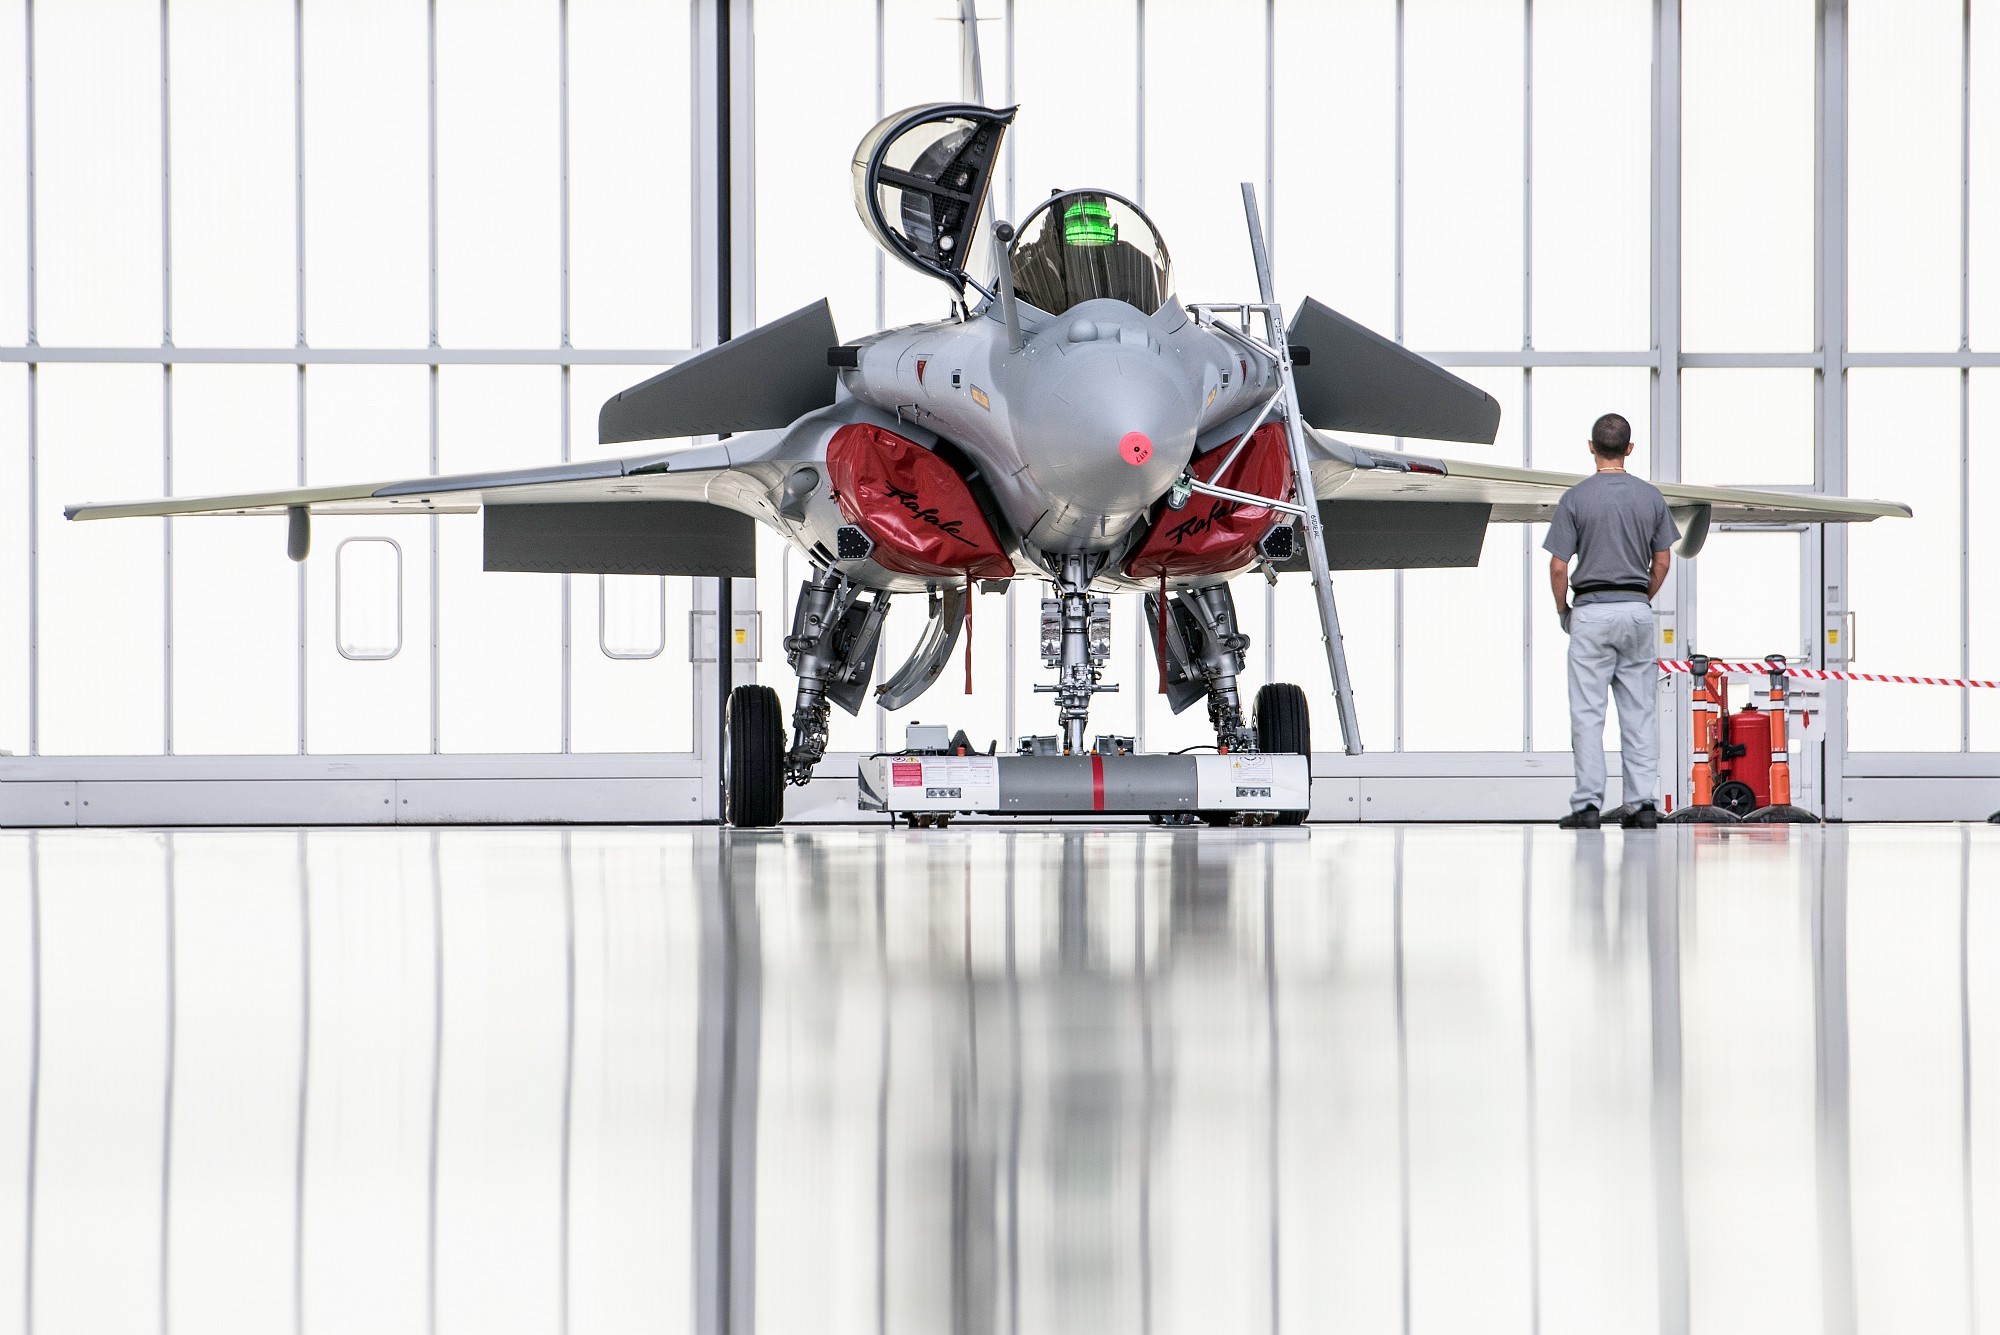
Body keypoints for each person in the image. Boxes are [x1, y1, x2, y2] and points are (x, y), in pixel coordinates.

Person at [1543, 413, 1677, 830]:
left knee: (1588, 713)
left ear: (1591, 447)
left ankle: (1587, 806)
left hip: (1590, 610)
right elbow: (1663, 559)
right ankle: (1642, 805)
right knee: (1639, 712)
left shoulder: (1576, 498)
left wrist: (1564, 610)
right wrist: (1642, 598)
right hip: (1636, 608)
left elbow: (1558, 566)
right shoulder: (1651, 497)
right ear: (1630, 449)